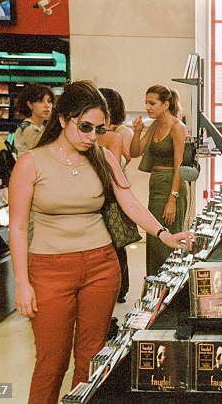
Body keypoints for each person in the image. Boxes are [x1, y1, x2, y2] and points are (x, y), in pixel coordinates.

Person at [9, 80, 192, 404]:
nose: (92, 136)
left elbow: (130, 202)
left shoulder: (102, 157)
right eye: (85, 127)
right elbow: (19, 228)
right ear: (64, 119)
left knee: (92, 359)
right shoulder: (31, 163)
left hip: (101, 267)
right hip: (49, 270)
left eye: (99, 129)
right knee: (51, 363)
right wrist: (22, 283)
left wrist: (164, 234)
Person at [130, 85, 188, 275]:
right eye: (146, 103)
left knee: (168, 240)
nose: (148, 107)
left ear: (166, 104)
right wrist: (137, 131)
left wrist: (172, 199)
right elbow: (135, 152)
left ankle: (168, 287)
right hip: (156, 185)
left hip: (172, 186)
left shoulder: (178, 128)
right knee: (154, 237)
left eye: (152, 103)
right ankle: (154, 287)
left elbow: (179, 165)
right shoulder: (154, 125)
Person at [97, 87, 134, 303]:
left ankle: (120, 287)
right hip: (103, 195)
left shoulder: (118, 134)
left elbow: (123, 161)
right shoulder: (98, 135)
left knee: (117, 243)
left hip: (114, 194)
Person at [12, 84, 55, 153]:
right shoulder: (29, 128)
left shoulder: (40, 127)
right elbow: (45, 152)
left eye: (49, 101)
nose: (47, 105)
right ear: (29, 104)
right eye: (40, 101)